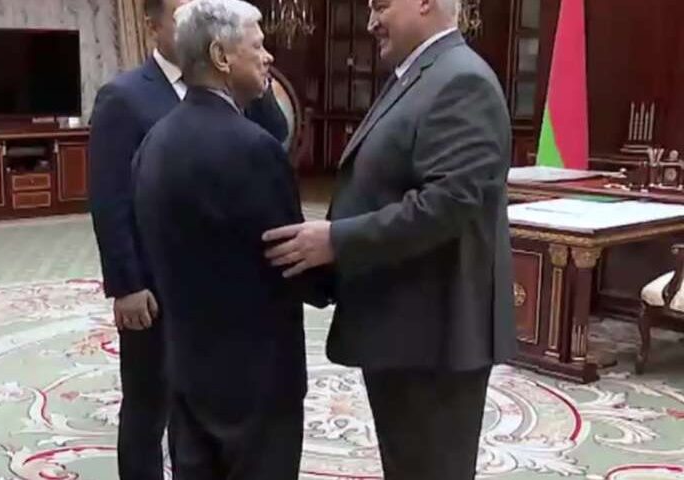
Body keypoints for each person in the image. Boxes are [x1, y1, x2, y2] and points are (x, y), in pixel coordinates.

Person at [262, 0, 517, 478]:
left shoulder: (463, 81)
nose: (370, 21)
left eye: (380, 5)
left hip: (436, 336)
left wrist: (337, 241)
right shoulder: (419, 74)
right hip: (405, 326)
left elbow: (447, 204)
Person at [87, 0, 289, 477]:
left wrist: (255, 85)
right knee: (147, 405)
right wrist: (126, 284)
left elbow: (276, 134)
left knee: (200, 405)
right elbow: (110, 197)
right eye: (181, 12)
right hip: (155, 286)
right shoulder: (124, 96)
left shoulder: (234, 85)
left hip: (220, 290)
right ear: (153, 25)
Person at [132, 0, 328, 478]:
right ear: (221, 56)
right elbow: (294, 261)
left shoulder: (154, 143)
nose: (269, 57)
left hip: (186, 368)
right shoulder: (255, 149)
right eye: (258, 47)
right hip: (256, 380)